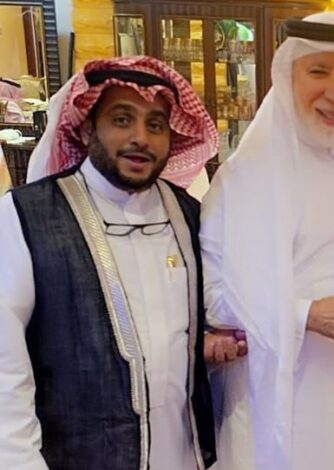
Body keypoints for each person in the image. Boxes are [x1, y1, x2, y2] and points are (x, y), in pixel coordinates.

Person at [200, 12, 334, 470]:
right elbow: (214, 299)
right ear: (288, 76)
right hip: (277, 389)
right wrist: (307, 314)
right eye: (318, 71)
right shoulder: (246, 175)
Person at [0, 56, 220, 469]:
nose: (141, 138)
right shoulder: (26, 217)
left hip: (182, 456)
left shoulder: (190, 215)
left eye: (156, 125)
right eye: (122, 119)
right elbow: (4, 370)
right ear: (87, 128)